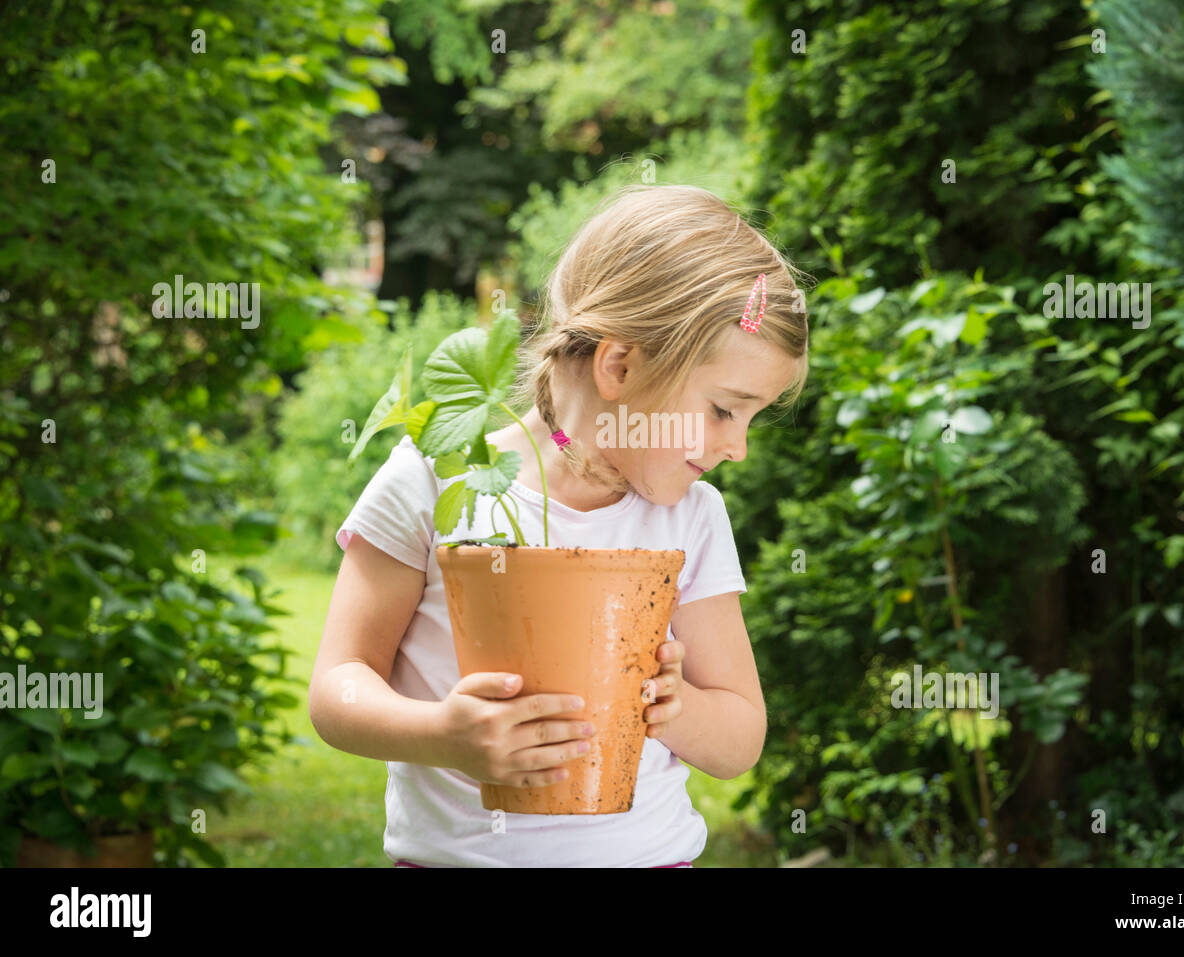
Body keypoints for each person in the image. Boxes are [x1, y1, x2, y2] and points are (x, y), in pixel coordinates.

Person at [308, 183, 810, 867]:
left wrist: (677, 707)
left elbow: (741, 736)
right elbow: (339, 684)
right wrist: (443, 733)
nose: (738, 446)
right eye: (725, 409)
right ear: (620, 365)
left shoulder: (692, 519)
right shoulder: (437, 475)